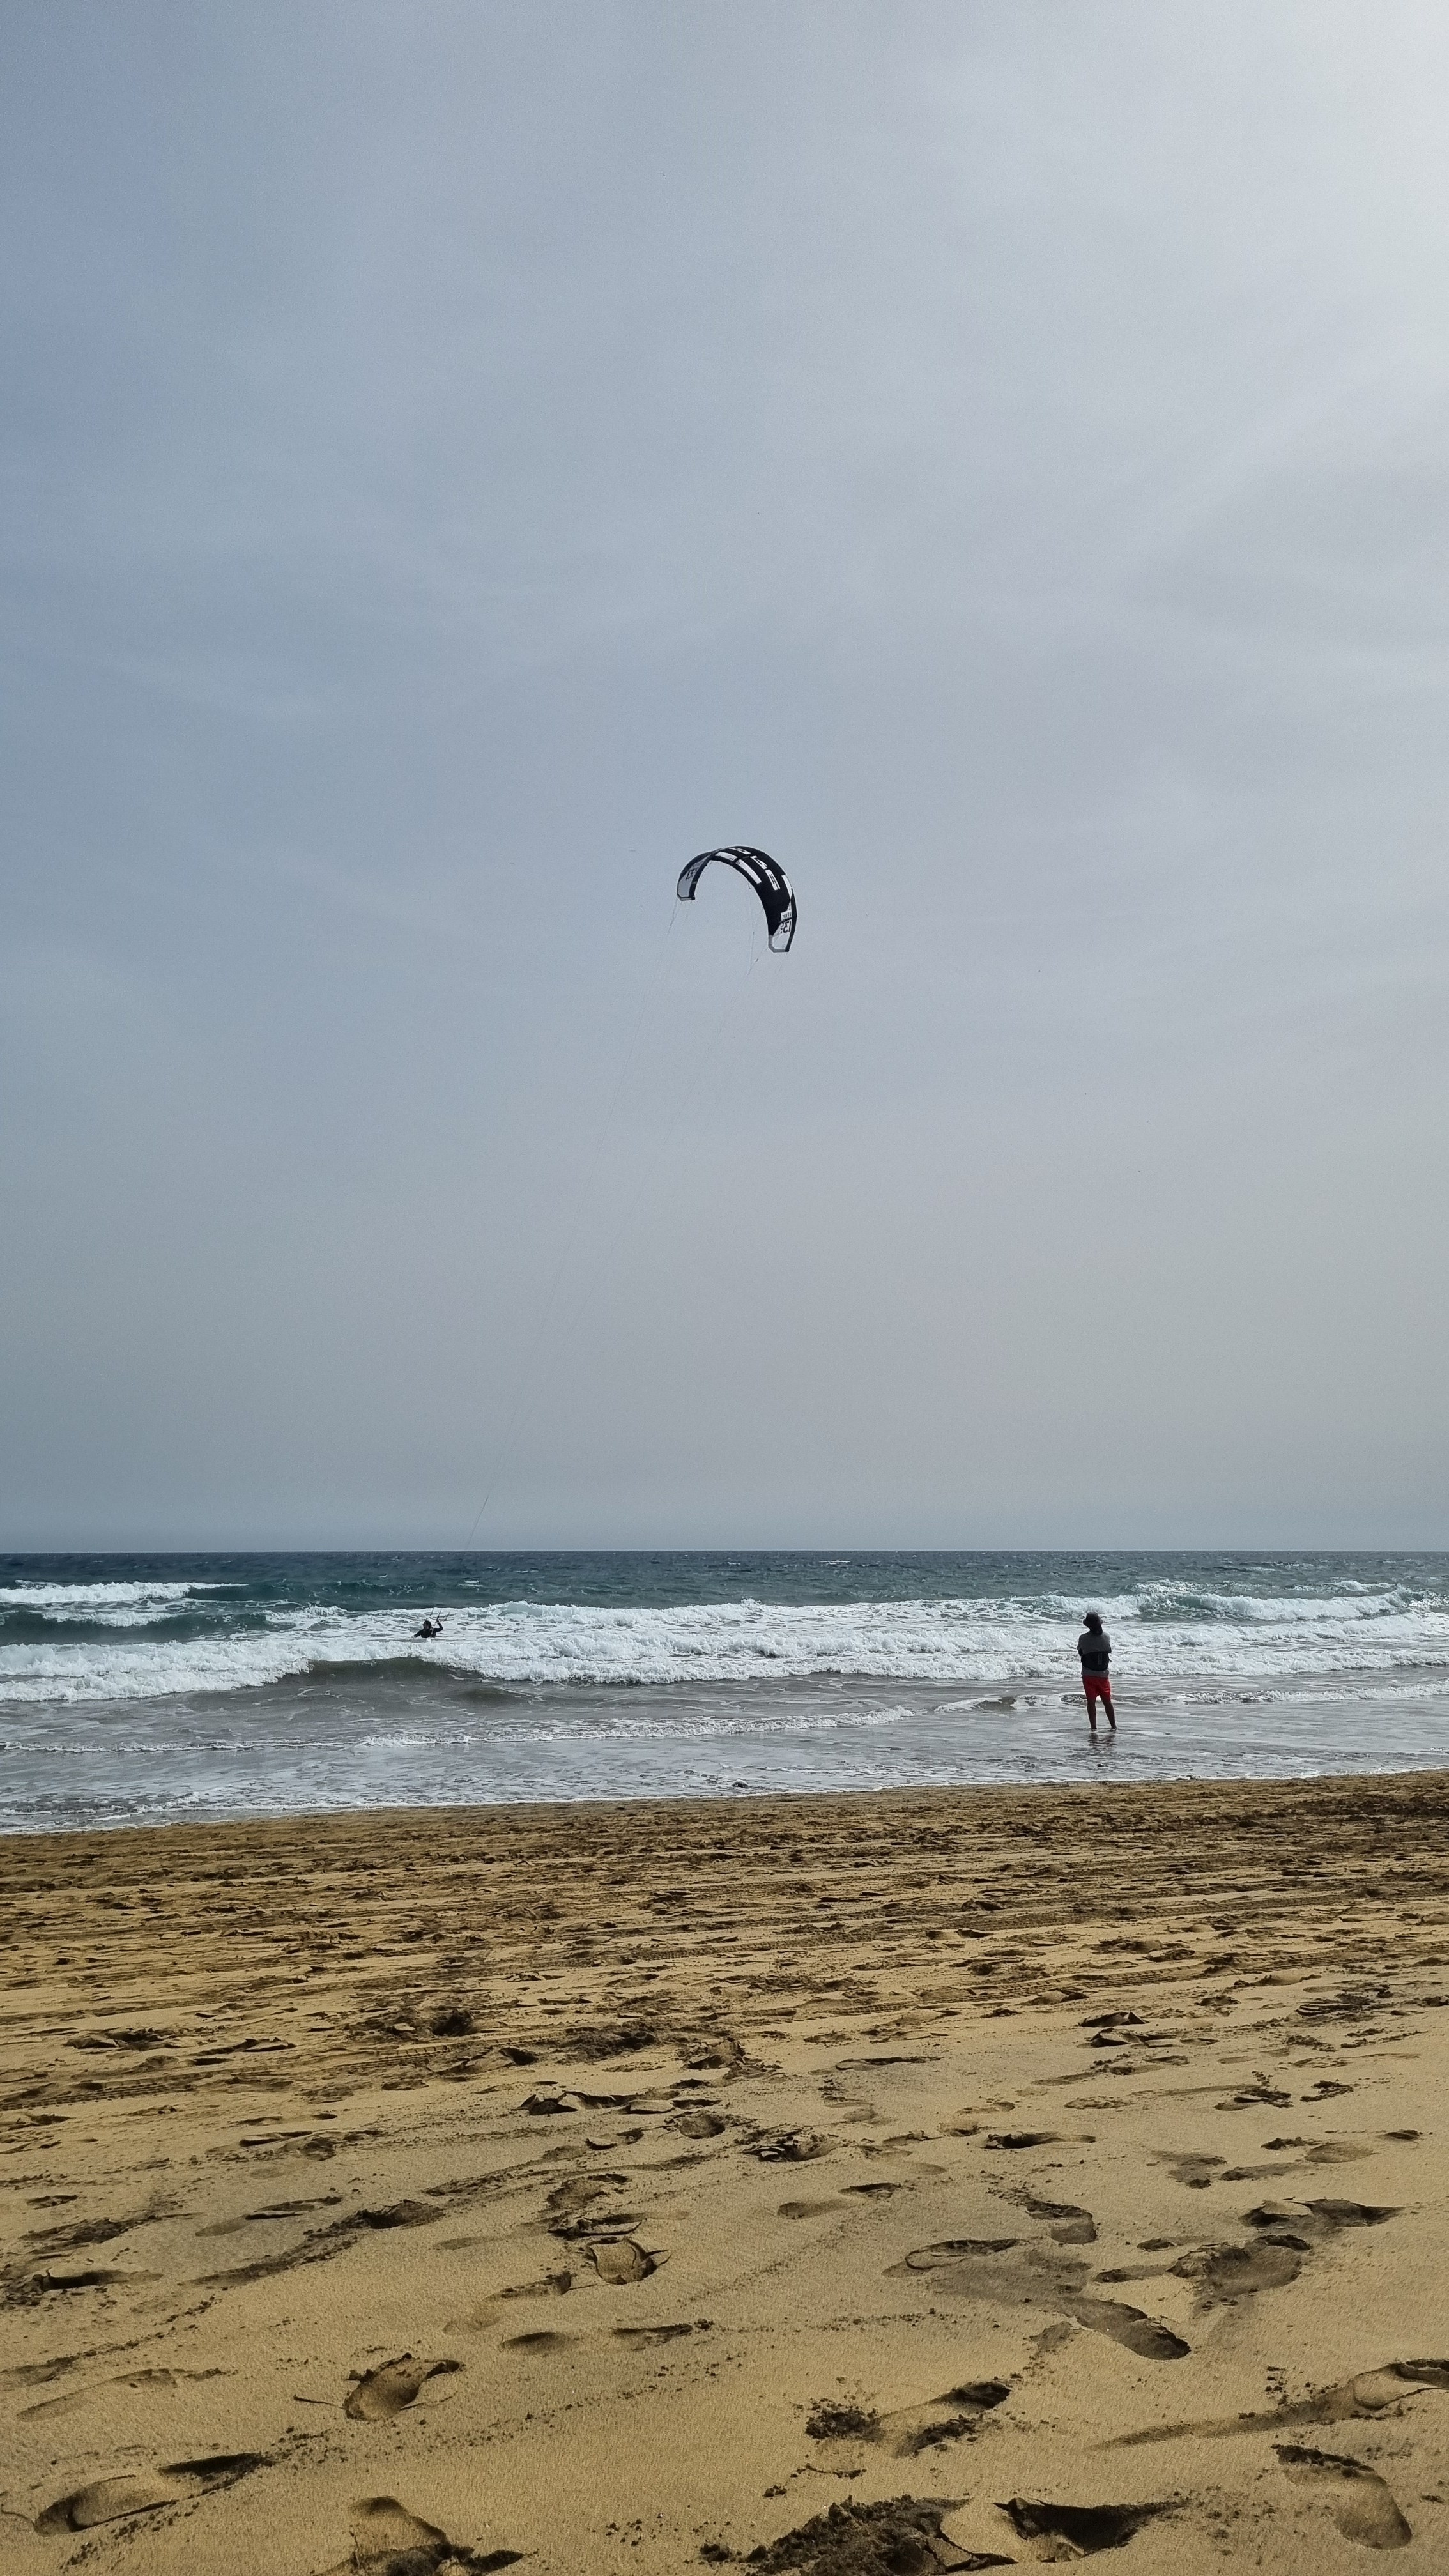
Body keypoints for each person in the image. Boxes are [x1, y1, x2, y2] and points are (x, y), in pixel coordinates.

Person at [1077, 1610, 1116, 1733]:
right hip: (1103, 1674)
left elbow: (1081, 1651)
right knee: (1107, 1702)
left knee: (1091, 1701)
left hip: (1088, 1674)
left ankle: (1094, 1728)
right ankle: (1113, 1726)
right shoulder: (1107, 1637)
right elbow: (1108, 1650)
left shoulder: (1083, 1638)